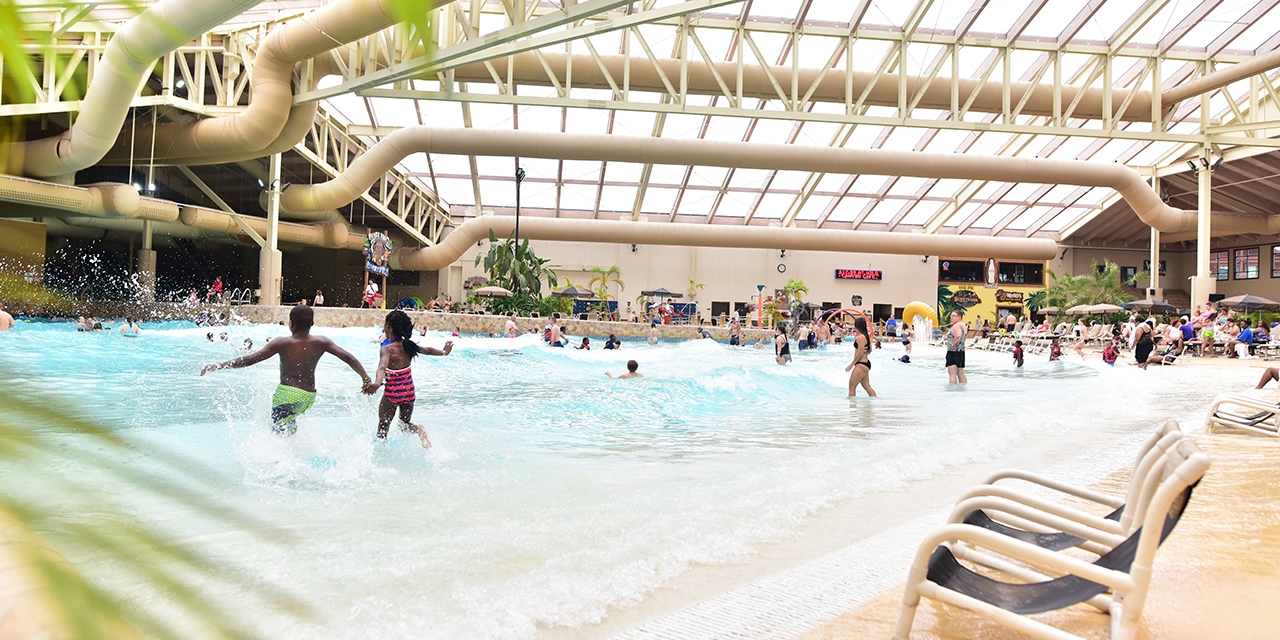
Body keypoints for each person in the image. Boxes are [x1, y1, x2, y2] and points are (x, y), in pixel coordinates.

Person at [201, 305, 372, 435]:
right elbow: (348, 357)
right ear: (312, 323)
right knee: (288, 427)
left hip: (287, 394)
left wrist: (218, 365)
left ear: (290, 324)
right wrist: (365, 379)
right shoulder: (322, 342)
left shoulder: (281, 343)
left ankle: (286, 468)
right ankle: (294, 456)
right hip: (308, 396)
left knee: (276, 434)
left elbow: (250, 359)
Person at [362, 310, 432, 449]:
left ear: (389, 327)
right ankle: (418, 429)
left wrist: (376, 383)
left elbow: (382, 367)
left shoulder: (387, 349)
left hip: (392, 393)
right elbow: (428, 350)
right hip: (409, 391)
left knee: (383, 429)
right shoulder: (408, 346)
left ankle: (381, 458)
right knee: (404, 425)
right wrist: (444, 352)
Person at [844, 317, 876, 397]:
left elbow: (859, 353)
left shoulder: (860, 337)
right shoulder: (866, 336)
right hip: (866, 363)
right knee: (867, 387)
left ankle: (852, 408)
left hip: (861, 364)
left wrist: (851, 365)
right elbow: (869, 350)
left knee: (852, 387)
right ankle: (875, 403)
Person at [945, 310, 967, 384]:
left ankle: (952, 391)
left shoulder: (957, 325)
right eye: (951, 316)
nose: (952, 318)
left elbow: (958, 335)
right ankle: (963, 388)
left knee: (952, 374)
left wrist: (952, 343)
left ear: (959, 316)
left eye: (954, 316)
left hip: (953, 351)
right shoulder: (963, 325)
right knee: (960, 373)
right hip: (961, 351)